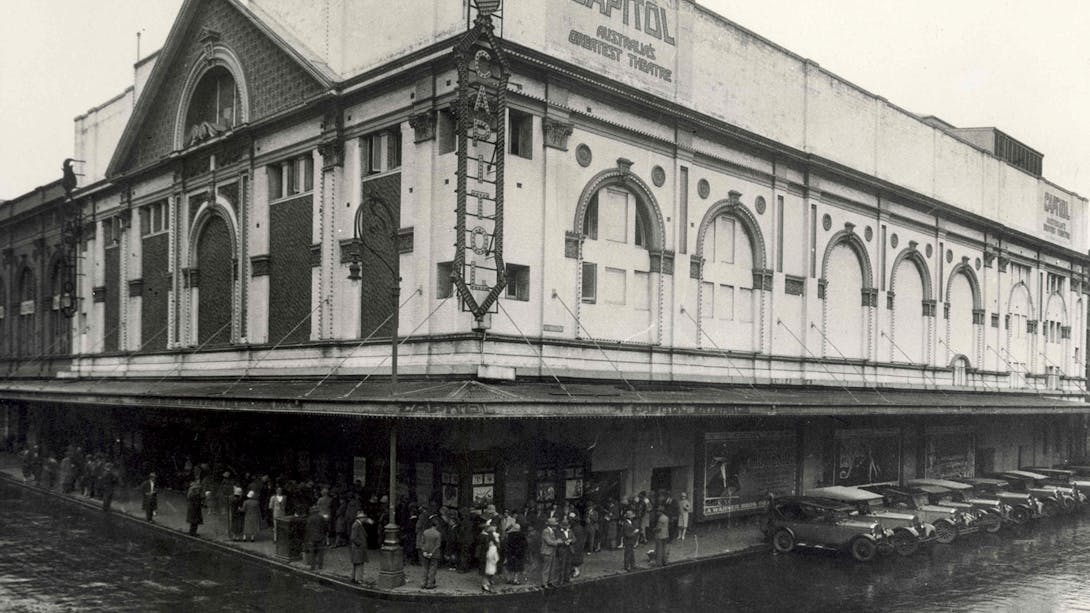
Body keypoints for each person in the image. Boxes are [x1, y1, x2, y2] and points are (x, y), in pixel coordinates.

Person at [349, 510, 374, 584]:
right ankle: (358, 579)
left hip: (357, 548)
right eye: (363, 518)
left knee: (356, 563)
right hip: (358, 548)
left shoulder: (358, 524)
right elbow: (353, 537)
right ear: (360, 518)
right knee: (359, 564)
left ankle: (354, 577)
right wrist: (360, 544)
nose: (364, 519)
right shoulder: (356, 525)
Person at [419, 516, 443, 589]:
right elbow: (438, 545)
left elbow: (421, 543)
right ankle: (430, 584)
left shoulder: (425, 532)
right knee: (432, 569)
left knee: (425, 568)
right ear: (437, 525)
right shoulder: (438, 534)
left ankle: (423, 583)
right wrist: (431, 553)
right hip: (434, 554)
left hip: (425, 553)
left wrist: (424, 551)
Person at [304, 505, 327, 571]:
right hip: (320, 537)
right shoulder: (321, 518)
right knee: (320, 552)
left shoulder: (310, 518)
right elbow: (325, 527)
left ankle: (313, 566)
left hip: (312, 538)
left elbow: (307, 529)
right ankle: (320, 566)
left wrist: (307, 538)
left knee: (312, 552)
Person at [504, 520, 526, 585]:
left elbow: (507, 545)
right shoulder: (521, 535)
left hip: (510, 553)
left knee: (510, 567)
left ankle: (509, 579)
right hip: (518, 554)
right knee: (517, 567)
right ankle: (515, 580)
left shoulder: (509, 535)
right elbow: (524, 545)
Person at [540, 517, 559, 588]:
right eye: (555, 525)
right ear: (552, 525)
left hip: (552, 552)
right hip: (547, 552)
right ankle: (544, 583)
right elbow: (549, 542)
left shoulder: (552, 531)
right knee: (546, 568)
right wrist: (557, 542)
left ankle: (550, 581)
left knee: (552, 568)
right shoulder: (546, 531)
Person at [480, 524, 500, 593]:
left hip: (487, 555)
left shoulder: (486, 535)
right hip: (487, 556)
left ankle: (485, 584)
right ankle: (485, 584)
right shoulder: (487, 536)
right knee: (486, 571)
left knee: (486, 571)